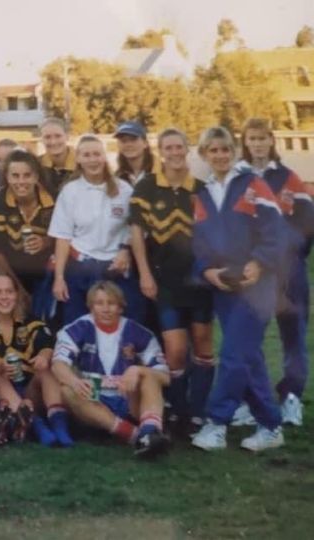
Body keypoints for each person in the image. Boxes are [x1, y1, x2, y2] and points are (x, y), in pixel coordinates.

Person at [190, 126, 288, 453]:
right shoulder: (202, 193)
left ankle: (216, 424)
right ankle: (270, 425)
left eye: (225, 149)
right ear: (204, 154)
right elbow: (199, 242)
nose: (220, 155)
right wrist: (208, 271)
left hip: (257, 285)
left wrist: (260, 262)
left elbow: (275, 230)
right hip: (224, 285)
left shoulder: (253, 185)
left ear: (234, 151)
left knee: (233, 354)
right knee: (249, 356)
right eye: (213, 150)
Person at [128, 128, 215, 433]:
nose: (175, 152)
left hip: (201, 281)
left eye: (180, 146)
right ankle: (177, 410)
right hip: (164, 280)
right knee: (175, 348)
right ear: (160, 151)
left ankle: (199, 411)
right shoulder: (147, 187)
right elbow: (136, 233)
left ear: (187, 149)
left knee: (203, 345)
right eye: (169, 147)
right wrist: (145, 273)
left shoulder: (202, 188)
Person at [239, 117, 313, 426]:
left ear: (271, 141)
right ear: (245, 143)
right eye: (251, 138)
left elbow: (307, 223)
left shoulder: (289, 178)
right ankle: (249, 400)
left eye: (262, 138)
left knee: (292, 334)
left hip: (287, 270)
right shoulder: (237, 177)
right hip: (253, 270)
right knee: (247, 336)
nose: (257, 144)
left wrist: (288, 252)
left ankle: (291, 397)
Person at [51, 281, 170, 459]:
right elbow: (58, 365)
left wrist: (139, 370)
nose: (106, 309)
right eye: (99, 303)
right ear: (91, 307)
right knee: (67, 390)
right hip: (95, 397)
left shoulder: (138, 332)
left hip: (127, 397)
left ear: (121, 307)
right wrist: (75, 381)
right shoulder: (77, 329)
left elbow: (165, 376)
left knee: (150, 377)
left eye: (111, 303)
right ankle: (135, 435)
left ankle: (149, 431)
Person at [0, 272, 72, 447]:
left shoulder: (30, 322)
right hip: (1, 394)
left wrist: (43, 357)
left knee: (46, 372)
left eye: (9, 292)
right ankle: (37, 427)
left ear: (16, 294)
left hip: (30, 389)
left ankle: (59, 427)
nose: (4, 297)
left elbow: (46, 345)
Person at [49, 135, 140, 325]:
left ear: (105, 157)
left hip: (116, 268)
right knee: (78, 327)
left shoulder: (124, 190)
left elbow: (137, 229)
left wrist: (126, 251)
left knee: (123, 328)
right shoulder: (70, 191)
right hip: (80, 268)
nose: (93, 160)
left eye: (97, 154)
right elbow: (63, 237)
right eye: (87, 155)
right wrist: (59, 278)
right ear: (78, 159)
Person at [0, 150, 56, 320]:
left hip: (48, 271)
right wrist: (17, 289)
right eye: (15, 176)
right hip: (13, 271)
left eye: (27, 175)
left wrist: (46, 242)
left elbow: (67, 236)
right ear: (7, 177)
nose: (21, 181)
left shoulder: (53, 199)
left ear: (36, 176)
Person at [37, 117, 75, 195]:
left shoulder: (83, 163)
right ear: (41, 139)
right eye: (47, 137)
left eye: (58, 136)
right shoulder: (36, 166)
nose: (53, 142)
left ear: (67, 136)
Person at [114, 121, 158, 186]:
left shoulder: (161, 172)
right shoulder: (116, 178)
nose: (128, 144)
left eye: (133, 139)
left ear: (145, 143)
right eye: (123, 140)